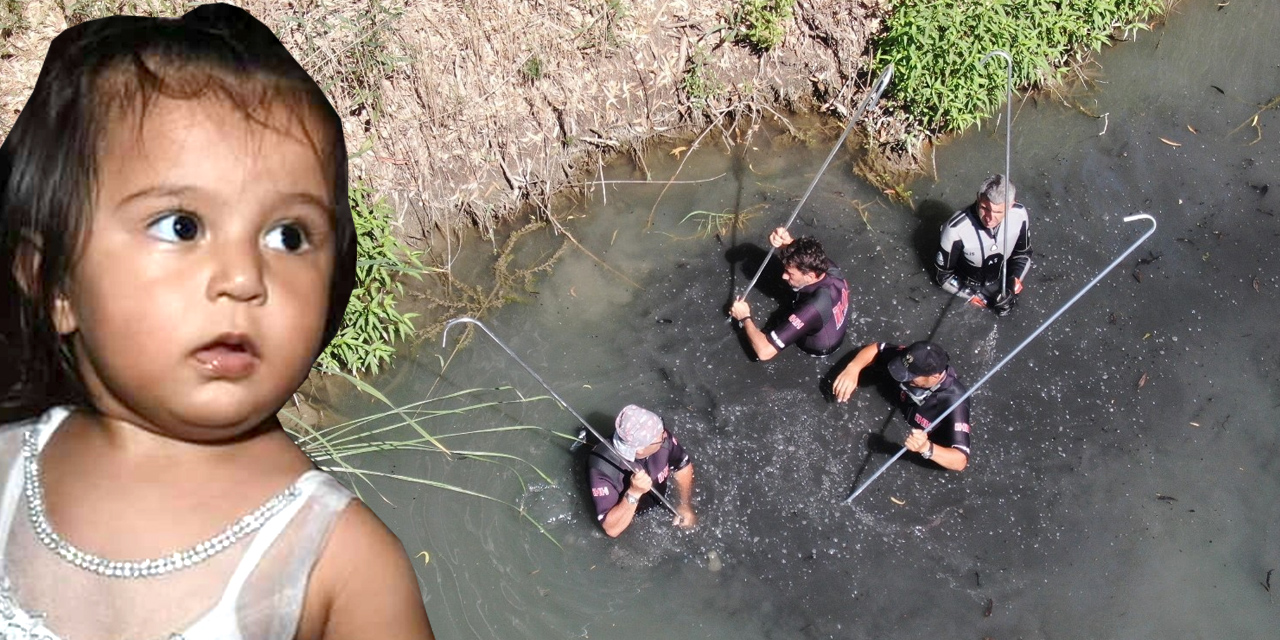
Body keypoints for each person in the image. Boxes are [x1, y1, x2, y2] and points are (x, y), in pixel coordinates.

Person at [0, 6, 434, 638]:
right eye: (181, 226)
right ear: (53, 282)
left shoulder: (342, 570)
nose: (244, 277)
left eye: (288, 236)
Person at [832, 341, 971, 471]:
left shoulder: (955, 400)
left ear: (933, 377)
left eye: (911, 376)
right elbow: (877, 348)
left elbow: (960, 460)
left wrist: (926, 447)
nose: (904, 376)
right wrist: (853, 368)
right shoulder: (911, 360)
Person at [727, 227, 850, 360]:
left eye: (790, 273)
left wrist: (744, 317)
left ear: (809, 277)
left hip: (817, 346)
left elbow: (764, 352)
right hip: (828, 319)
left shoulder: (811, 309)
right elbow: (804, 256)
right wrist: (786, 243)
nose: (784, 276)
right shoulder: (827, 267)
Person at [587, 405, 696, 537]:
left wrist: (684, 504)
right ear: (640, 449)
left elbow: (682, 465)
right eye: (659, 438)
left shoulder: (658, 434)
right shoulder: (602, 467)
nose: (665, 435)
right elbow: (611, 529)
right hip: (633, 516)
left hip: (659, 500)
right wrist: (634, 492)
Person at [934, 174, 1032, 316]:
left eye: (999, 212)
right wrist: (979, 298)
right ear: (978, 198)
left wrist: (1012, 285)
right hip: (967, 286)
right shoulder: (956, 230)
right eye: (985, 208)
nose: (990, 218)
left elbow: (1023, 254)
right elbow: (942, 276)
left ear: (1011, 205)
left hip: (1002, 278)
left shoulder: (1019, 215)